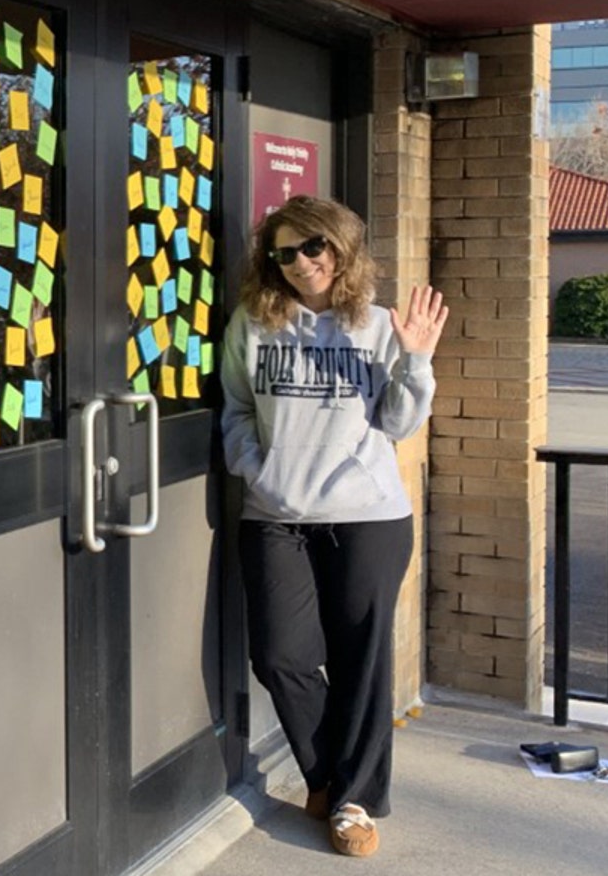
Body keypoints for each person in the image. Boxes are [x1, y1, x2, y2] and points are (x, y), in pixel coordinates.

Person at [220, 196, 446, 859]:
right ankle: (327, 775)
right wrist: (256, 470)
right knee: (281, 656)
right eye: (283, 253)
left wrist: (417, 358)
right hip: (275, 515)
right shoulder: (254, 323)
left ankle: (352, 802)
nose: (298, 263)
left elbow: (401, 425)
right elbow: (234, 407)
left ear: (341, 249)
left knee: (361, 663)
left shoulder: (377, 326)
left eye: (311, 248)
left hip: (367, 517)